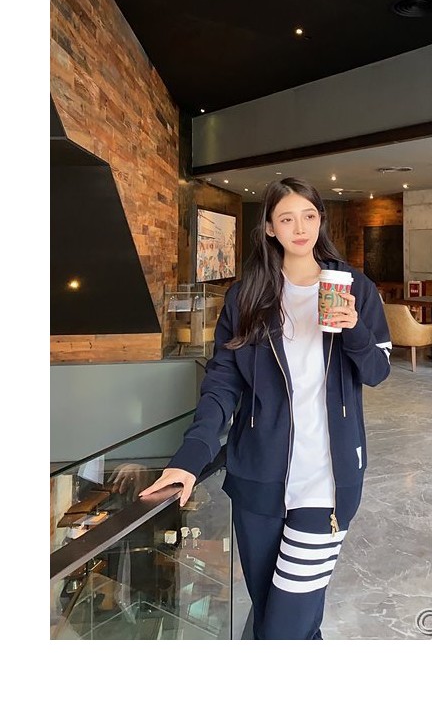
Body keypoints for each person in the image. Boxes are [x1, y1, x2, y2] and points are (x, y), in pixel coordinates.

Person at [141, 177, 391, 639]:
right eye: (287, 219)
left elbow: (377, 371)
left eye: (309, 216)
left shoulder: (355, 287)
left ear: (320, 220)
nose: (301, 228)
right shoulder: (247, 296)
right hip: (258, 479)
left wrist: (354, 329)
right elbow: (222, 384)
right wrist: (191, 457)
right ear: (271, 228)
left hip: (327, 483)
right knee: (276, 621)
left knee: (282, 631)